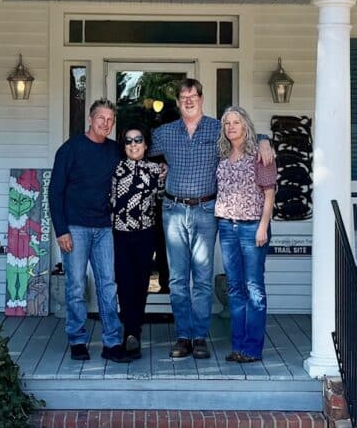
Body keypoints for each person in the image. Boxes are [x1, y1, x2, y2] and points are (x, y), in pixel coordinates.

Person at [151, 79, 274, 360]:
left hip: (207, 211)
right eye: (183, 97)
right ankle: (183, 336)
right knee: (179, 279)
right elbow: (138, 149)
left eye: (193, 96)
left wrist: (266, 140)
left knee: (204, 279)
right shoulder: (165, 133)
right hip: (173, 210)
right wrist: (158, 166)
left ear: (201, 99)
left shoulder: (216, 129)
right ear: (178, 102)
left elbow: (245, 134)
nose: (189, 101)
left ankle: (200, 337)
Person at [49, 100, 131, 363]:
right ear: (90, 119)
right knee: (75, 286)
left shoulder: (115, 151)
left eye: (110, 120)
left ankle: (112, 342)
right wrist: (61, 230)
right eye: (101, 118)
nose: (105, 124)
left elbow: (130, 175)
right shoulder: (70, 150)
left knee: (108, 285)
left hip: (104, 228)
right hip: (75, 227)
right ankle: (77, 340)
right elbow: (55, 193)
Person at [214, 105, 276, 363]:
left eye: (236, 122)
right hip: (227, 227)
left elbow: (269, 193)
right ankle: (238, 346)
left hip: (252, 227)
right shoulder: (223, 156)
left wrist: (263, 226)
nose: (231, 127)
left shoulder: (259, 155)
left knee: (254, 288)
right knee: (235, 288)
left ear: (245, 125)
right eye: (227, 123)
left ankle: (252, 348)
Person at [108, 125, 166, 358]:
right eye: (128, 141)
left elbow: (161, 198)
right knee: (124, 281)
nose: (133, 144)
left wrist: (164, 171)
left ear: (145, 144)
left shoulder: (156, 170)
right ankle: (128, 330)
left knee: (141, 283)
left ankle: (134, 332)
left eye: (138, 140)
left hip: (145, 233)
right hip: (119, 233)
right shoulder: (115, 168)